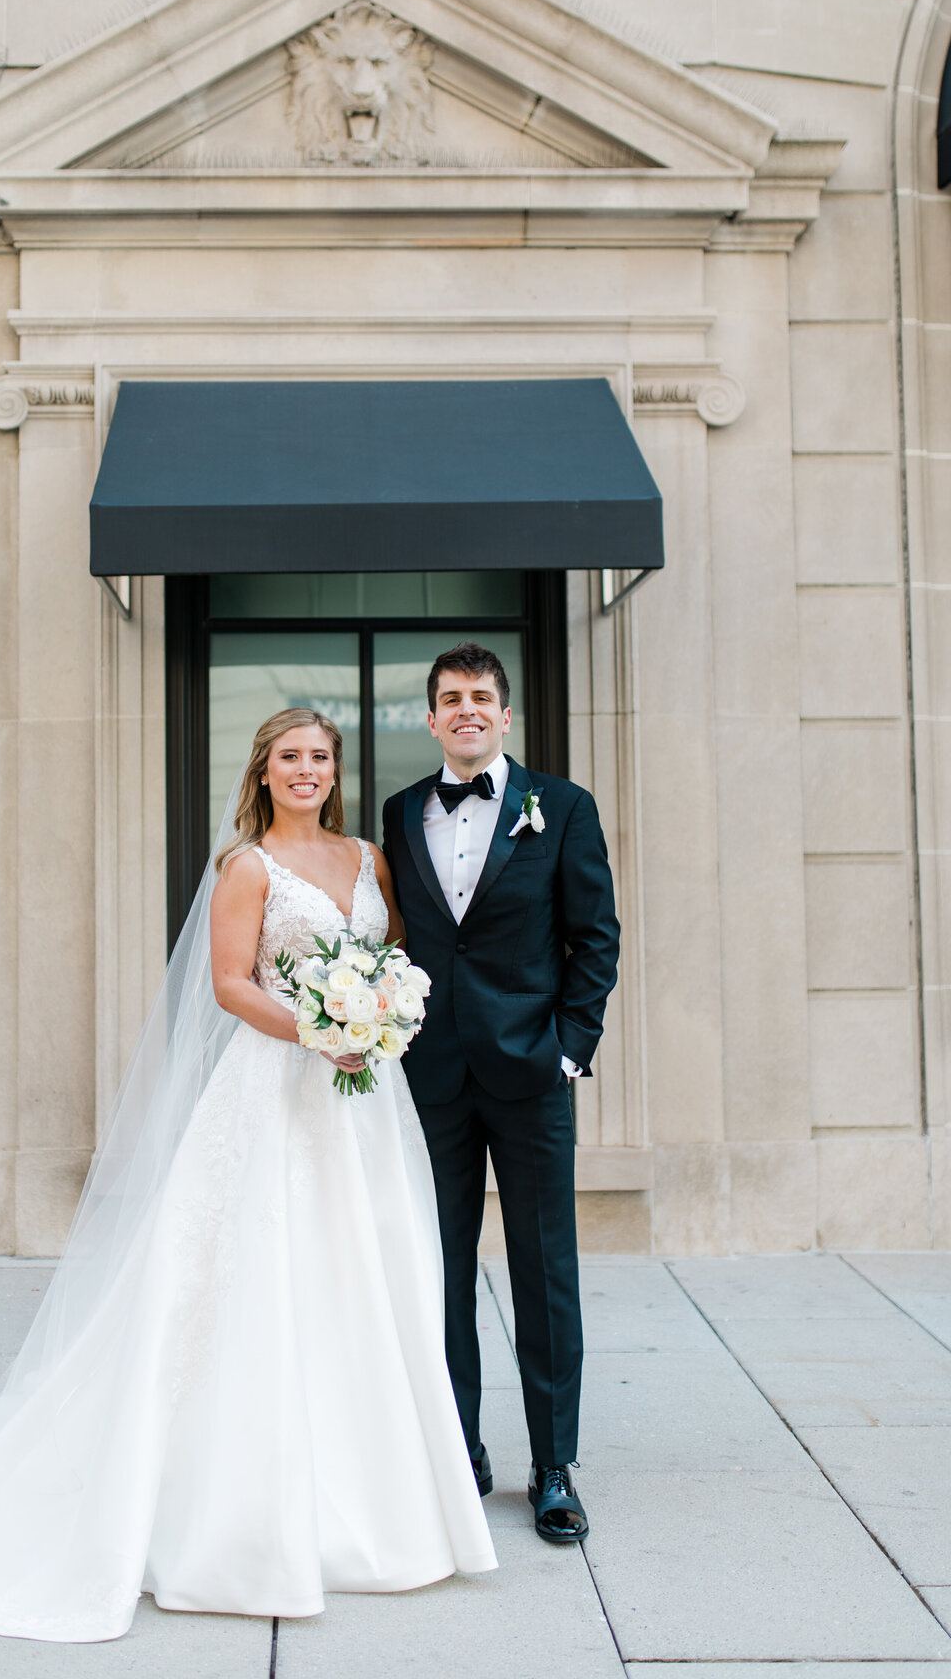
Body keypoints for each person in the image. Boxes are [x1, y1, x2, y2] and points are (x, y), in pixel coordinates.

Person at [0, 708, 494, 1642]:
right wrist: (322, 1030)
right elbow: (232, 983)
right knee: (256, 1280)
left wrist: (376, 1020)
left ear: (335, 770)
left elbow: (389, 960)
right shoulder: (245, 869)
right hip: (273, 1092)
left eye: (319, 758)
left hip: (361, 1103)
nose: (305, 770)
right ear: (262, 773)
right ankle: (242, 1513)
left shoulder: (367, 860)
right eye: (288, 759)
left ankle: (371, 1503)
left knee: (360, 1277)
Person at [382, 644, 620, 1545]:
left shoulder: (560, 808)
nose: (467, 710)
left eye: (482, 697)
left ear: (505, 717)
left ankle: (553, 1464)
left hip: (530, 1076)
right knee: (438, 1269)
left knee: (544, 1271)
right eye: (451, 699)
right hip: (431, 1080)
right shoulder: (403, 813)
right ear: (433, 718)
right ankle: (459, 1451)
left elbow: (594, 937)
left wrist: (570, 1050)